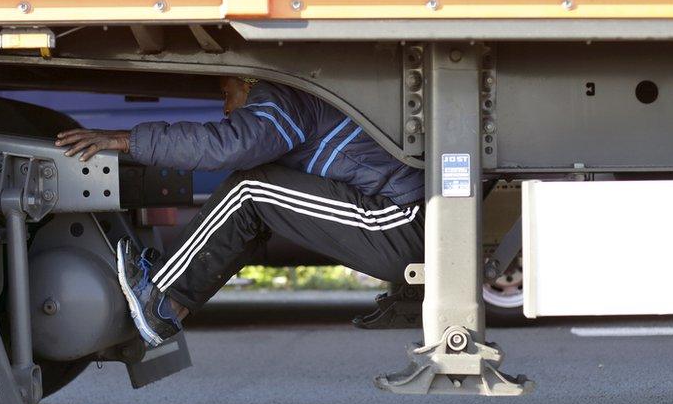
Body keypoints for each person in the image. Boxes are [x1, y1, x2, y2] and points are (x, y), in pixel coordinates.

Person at [56, 77, 425, 346]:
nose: (227, 107)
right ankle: (169, 307)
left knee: (250, 189)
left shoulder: (281, 96)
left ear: (247, 80)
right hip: (403, 218)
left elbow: (229, 147)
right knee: (257, 200)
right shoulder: (303, 99)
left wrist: (127, 140)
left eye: (225, 92)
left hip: (402, 220)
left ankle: (162, 302)